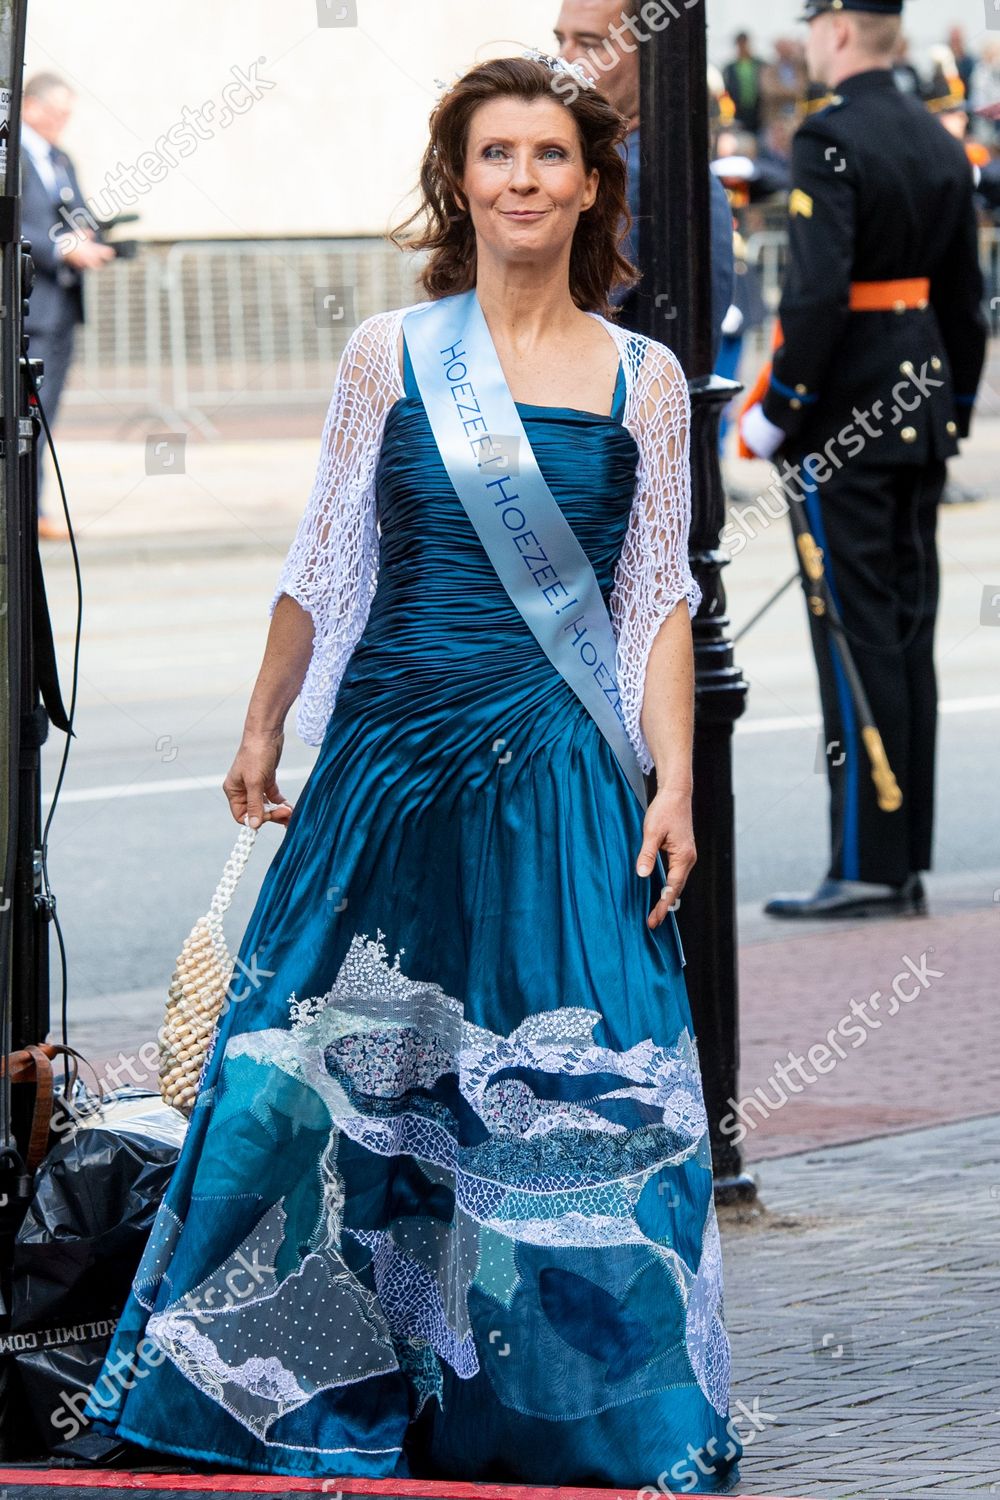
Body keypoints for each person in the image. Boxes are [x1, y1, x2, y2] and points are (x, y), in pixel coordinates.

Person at [80, 53, 740, 1491]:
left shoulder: (647, 378)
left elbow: (655, 601)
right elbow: (326, 556)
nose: (522, 179)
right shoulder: (389, 352)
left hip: (561, 769)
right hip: (385, 758)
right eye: (496, 154)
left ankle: (575, 1411)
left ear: (587, 185)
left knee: (577, 1080)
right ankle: (289, 1382)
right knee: (312, 1080)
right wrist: (263, 726)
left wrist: (674, 781)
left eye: (549, 156)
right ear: (461, 178)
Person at [740, 0, 987, 920]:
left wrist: (778, 412)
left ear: (838, 30)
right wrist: (952, 410)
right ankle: (902, 858)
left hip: (843, 421)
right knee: (905, 638)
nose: (807, 40)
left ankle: (866, 866)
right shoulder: (934, 136)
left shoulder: (827, 137)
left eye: (811, 25)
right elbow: (966, 303)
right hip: (918, 416)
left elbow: (814, 296)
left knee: (851, 641)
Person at [554, 0, 735, 359]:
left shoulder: (639, 173)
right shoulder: (616, 161)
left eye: (590, 44)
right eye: (560, 40)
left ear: (650, 55)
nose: (564, 63)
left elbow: (558, 319)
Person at [20, 72, 114, 540]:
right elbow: (17, 228)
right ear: (30, 106)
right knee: (25, 413)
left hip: (61, 309)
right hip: (29, 308)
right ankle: (24, 511)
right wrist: (60, 249)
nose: (61, 122)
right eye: (55, 112)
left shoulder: (59, 159)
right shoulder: (13, 157)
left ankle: (32, 510)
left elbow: (75, 215)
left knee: (44, 415)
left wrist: (90, 236)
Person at [723, 32, 766, 136]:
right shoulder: (730, 67)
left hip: (758, 111)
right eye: (740, 44)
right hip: (739, 111)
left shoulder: (759, 64)